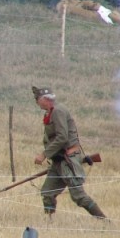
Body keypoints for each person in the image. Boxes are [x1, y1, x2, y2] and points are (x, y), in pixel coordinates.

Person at [32, 86, 107, 219]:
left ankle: (104, 221)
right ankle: (49, 222)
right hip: (58, 162)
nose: (36, 101)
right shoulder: (50, 113)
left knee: (79, 197)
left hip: (67, 161)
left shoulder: (58, 111)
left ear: (45, 99)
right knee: (47, 192)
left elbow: (62, 137)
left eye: (37, 99)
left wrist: (44, 154)